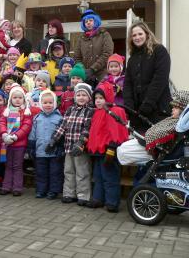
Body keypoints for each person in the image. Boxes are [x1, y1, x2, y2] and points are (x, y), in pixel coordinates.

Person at [46, 83, 94, 206]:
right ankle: (69, 193)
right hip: (68, 147)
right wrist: (53, 140)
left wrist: (81, 143)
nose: (81, 97)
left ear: (89, 97)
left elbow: (87, 129)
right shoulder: (70, 109)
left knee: (82, 172)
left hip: (80, 149)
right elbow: (62, 126)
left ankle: (83, 195)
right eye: (79, 95)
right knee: (68, 171)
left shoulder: (90, 111)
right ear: (75, 97)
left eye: (84, 95)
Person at [86, 82, 129, 212]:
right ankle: (98, 199)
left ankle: (112, 202)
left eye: (101, 98)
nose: (98, 101)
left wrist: (112, 147)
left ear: (108, 97)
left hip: (109, 150)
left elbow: (117, 131)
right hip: (98, 151)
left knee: (110, 177)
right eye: (96, 98)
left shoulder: (115, 111)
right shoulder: (97, 112)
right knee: (98, 176)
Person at [123, 21, 172, 133]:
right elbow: (128, 84)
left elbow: (160, 79)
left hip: (158, 111)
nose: (137, 37)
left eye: (140, 34)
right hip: (138, 115)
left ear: (147, 34)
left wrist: (148, 104)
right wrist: (129, 108)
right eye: (134, 35)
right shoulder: (132, 59)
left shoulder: (159, 51)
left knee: (157, 149)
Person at [29, 90, 64, 200]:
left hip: (54, 152)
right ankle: (41, 190)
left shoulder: (59, 118)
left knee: (55, 172)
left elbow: (62, 134)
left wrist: (60, 147)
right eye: (45, 103)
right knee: (41, 172)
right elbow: (33, 134)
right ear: (40, 103)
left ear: (54, 104)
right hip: (40, 151)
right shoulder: (37, 118)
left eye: (50, 103)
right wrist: (31, 147)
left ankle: (53, 191)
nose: (48, 105)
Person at [0, 83, 33, 196]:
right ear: (10, 99)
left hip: (19, 144)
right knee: (8, 165)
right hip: (7, 143)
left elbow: (26, 126)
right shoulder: (6, 111)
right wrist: (4, 134)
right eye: (15, 97)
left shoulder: (26, 112)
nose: (17, 100)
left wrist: (16, 136)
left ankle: (17, 187)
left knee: (17, 166)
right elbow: (2, 123)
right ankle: (6, 186)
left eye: (20, 97)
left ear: (24, 99)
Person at [74, 9, 114, 84]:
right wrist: (83, 70)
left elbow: (107, 54)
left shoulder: (105, 34)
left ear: (95, 21)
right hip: (86, 76)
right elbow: (77, 57)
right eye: (86, 21)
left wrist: (92, 69)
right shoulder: (81, 38)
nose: (88, 22)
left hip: (102, 75)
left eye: (90, 20)